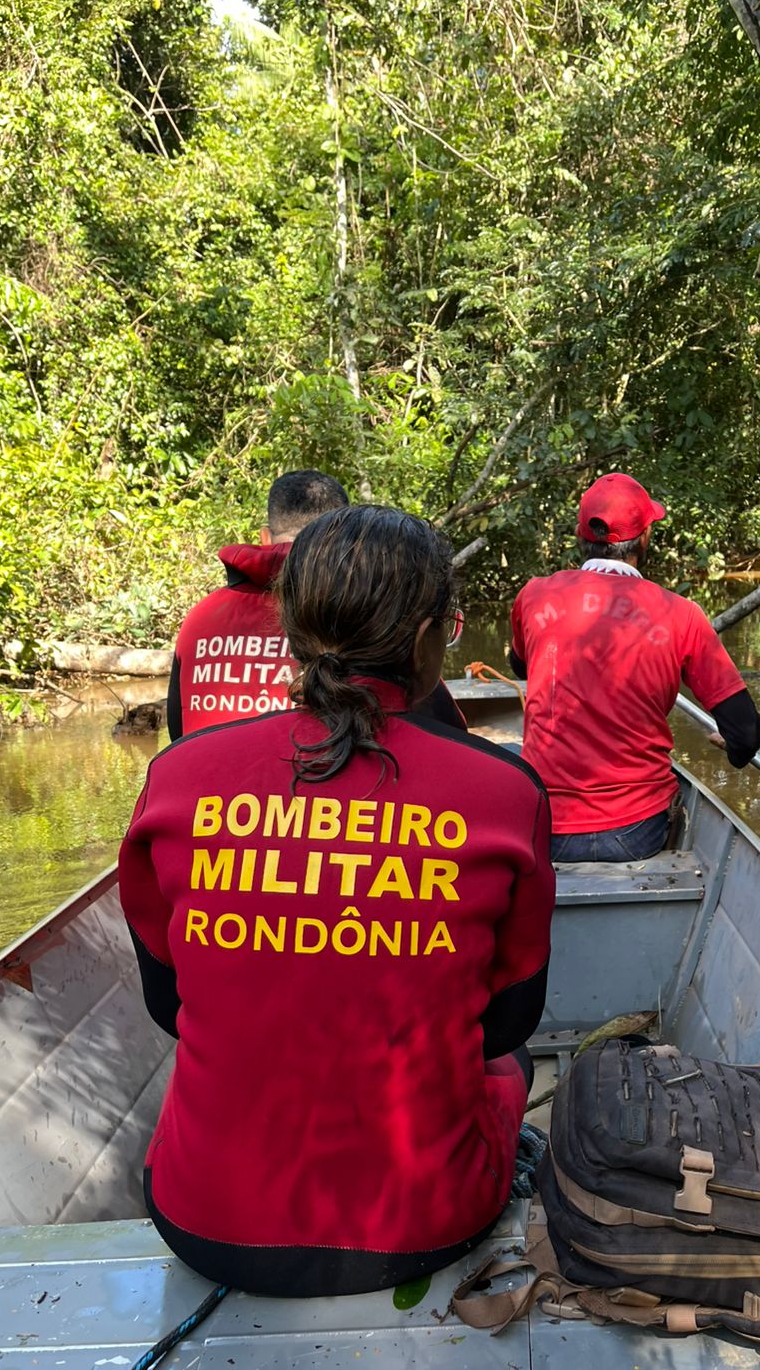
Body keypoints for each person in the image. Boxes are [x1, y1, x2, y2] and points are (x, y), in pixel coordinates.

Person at [120, 505, 555, 1297]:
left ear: (291, 632)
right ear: (428, 640)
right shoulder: (503, 792)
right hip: (424, 1223)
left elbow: (167, 1004)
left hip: (198, 1218)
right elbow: (508, 1022)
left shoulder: (179, 777)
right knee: (514, 1062)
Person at [510, 472, 760, 863]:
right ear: (644, 538)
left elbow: (519, 666)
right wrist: (733, 748)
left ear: (582, 536)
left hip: (543, 829)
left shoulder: (535, 595)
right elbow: (747, 735)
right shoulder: (681, 615)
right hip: (635, 833)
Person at [166, 468, 466, 739]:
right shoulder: (365, 605)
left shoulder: (202, 615)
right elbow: (440, 726)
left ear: (265, 536)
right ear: (348, 538)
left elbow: (178, 733)